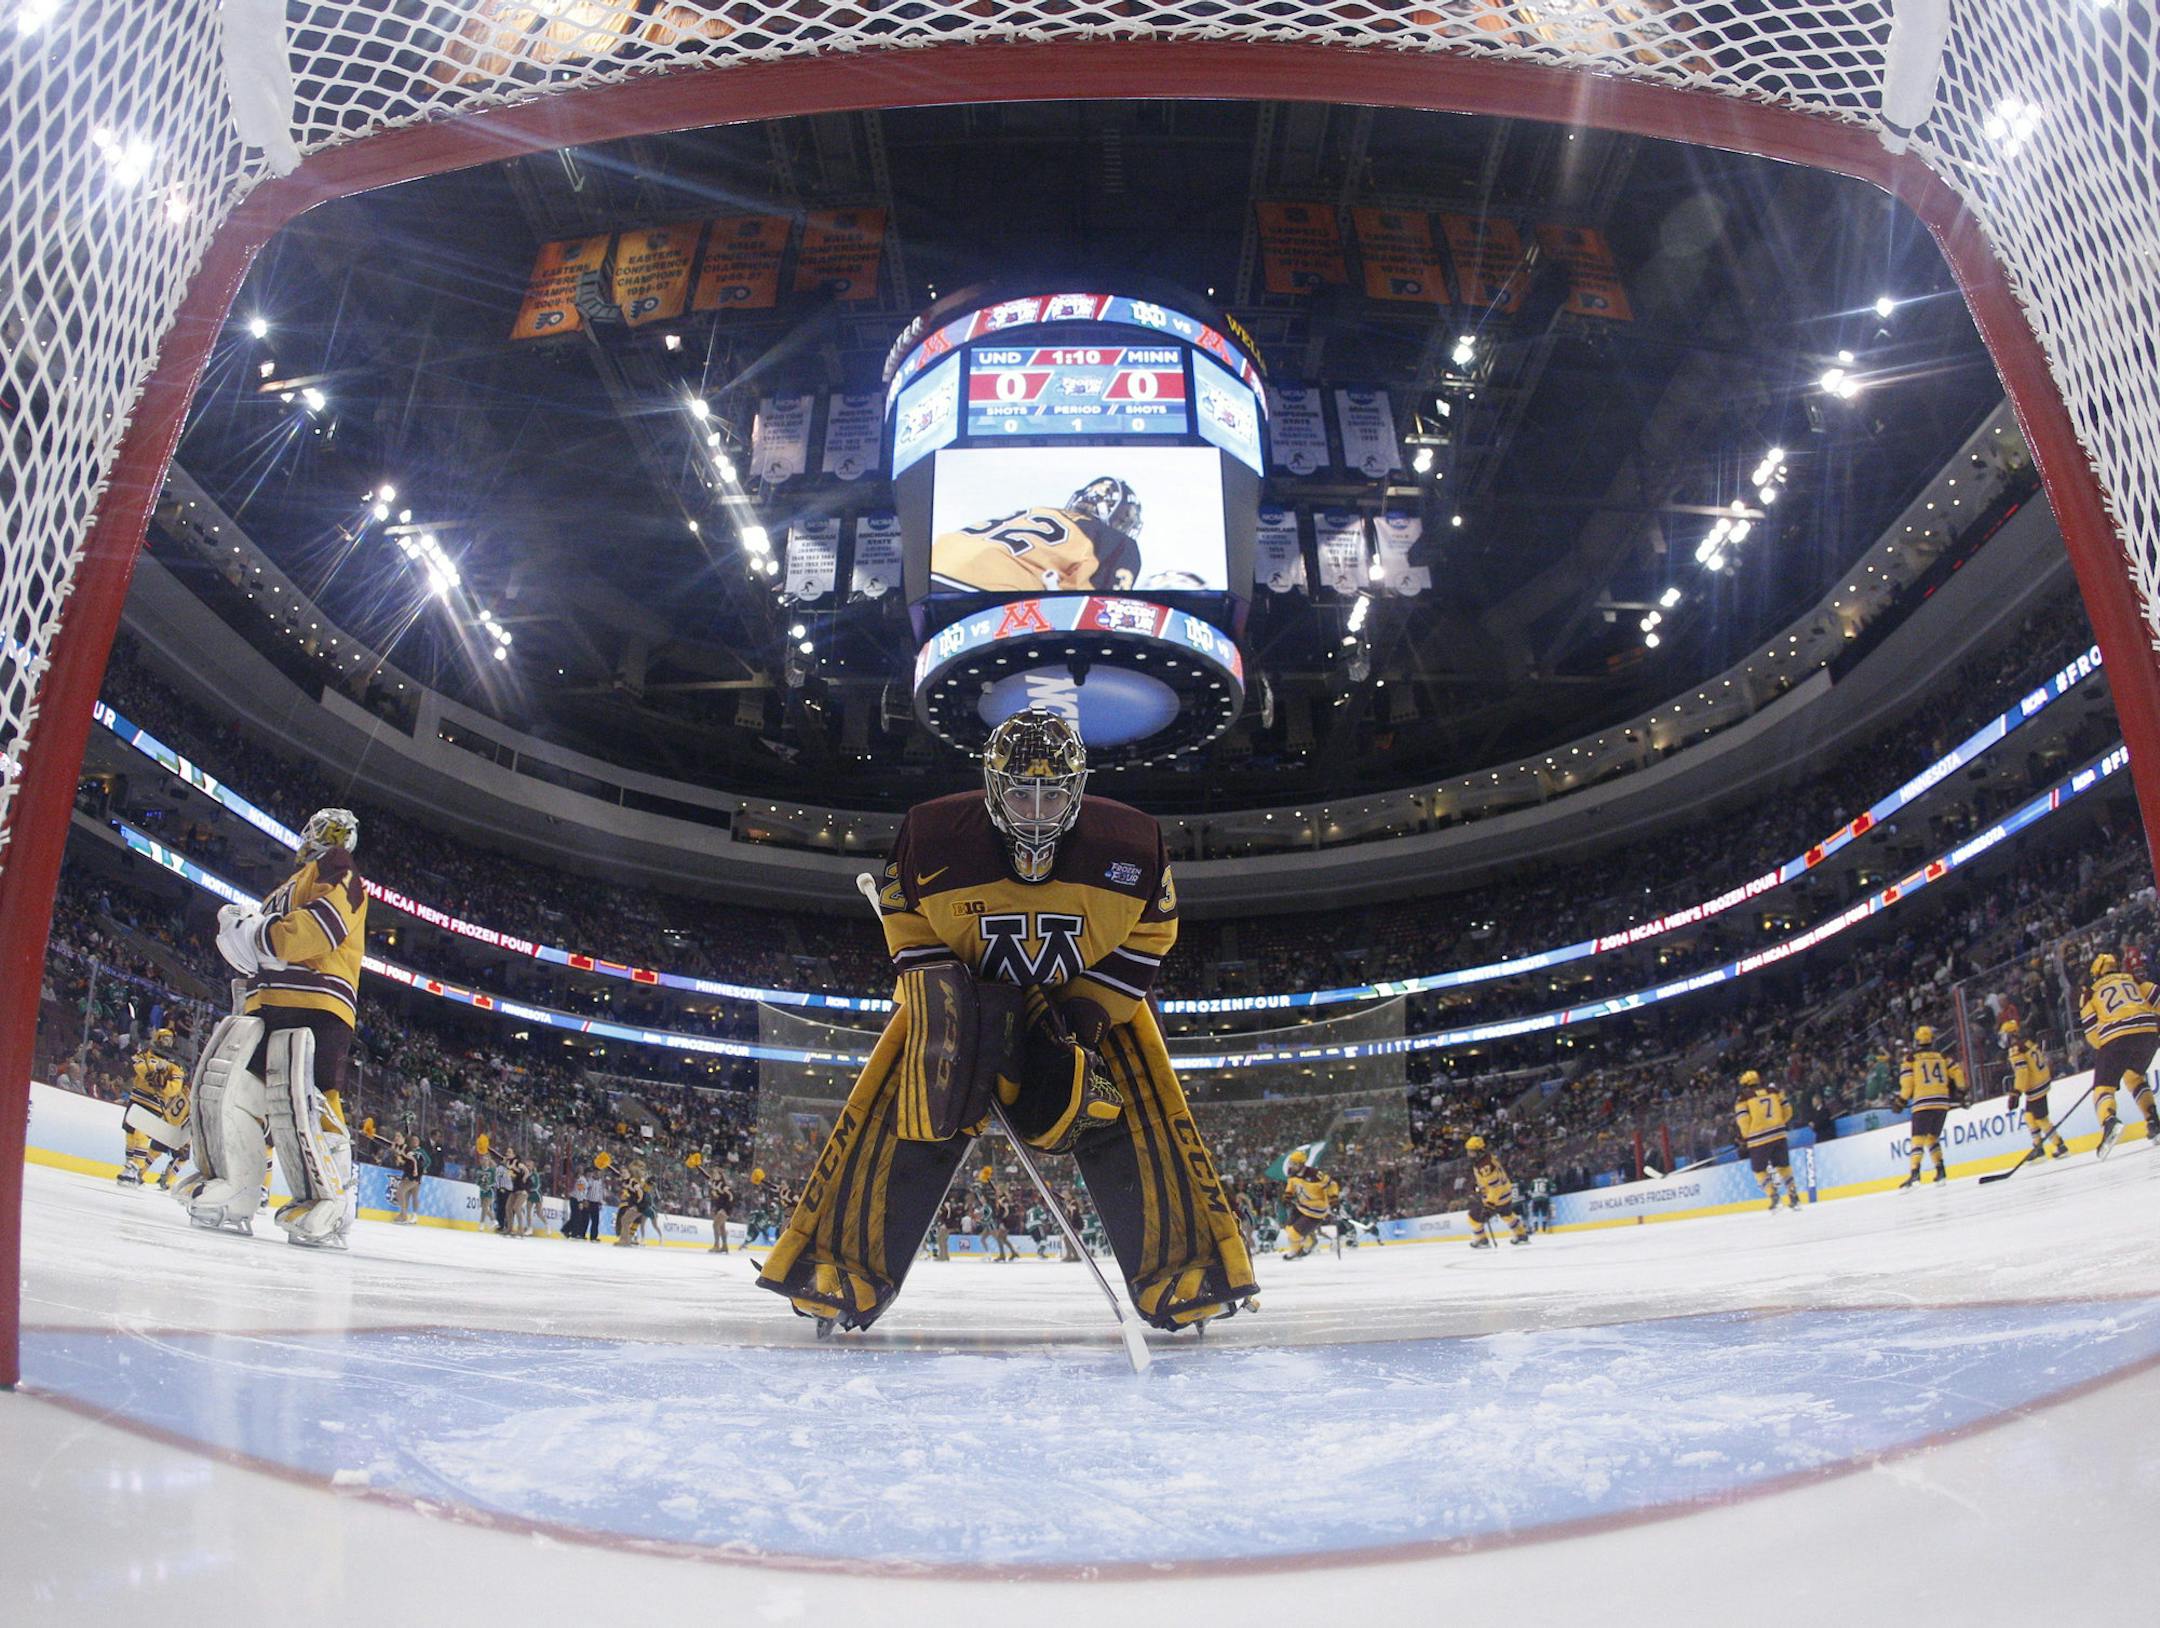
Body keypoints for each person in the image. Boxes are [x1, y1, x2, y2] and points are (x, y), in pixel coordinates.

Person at [758, 708, 1256, 1335]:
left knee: (1140, 1113)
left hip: (1086, 999)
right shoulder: (933, 833)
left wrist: (1088, 1014)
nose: (1038, 809)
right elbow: (902, 912)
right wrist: (944, 999)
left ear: (1079, 787)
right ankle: (834, 1265)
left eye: (1054, 792)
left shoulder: (1132, 844)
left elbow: (1155, 931)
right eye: (1022, 790)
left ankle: (1190, 1270)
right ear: (993, 785)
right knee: (907, 1112)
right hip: (964, 996)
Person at [174, 807, 364, 1246]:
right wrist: (243, 938)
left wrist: (259, 934)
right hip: (267, 1000)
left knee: (305, 1099)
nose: (319, 836)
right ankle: (237, 1185)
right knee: (237, 1090)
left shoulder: (337, 869)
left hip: (317, 1001)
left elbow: (320, 928)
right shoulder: (289, 885)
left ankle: (329, 1202)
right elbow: (265, 947)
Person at [928, 478, 1144, 594]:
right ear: (1112, 513)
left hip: (934, 567)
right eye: (1125, 519)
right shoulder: (1114, 541)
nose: (1124, 526)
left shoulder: (1039, 510)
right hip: (988, 588)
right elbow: (1092, 608)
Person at [2079, 952, 2160, 1158]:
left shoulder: (2090, 992)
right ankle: (2153, 1121)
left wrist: (2107, 1055)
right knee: (2134, 1077)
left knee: (2103, 1088)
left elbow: (2092, 1034)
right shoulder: (2132, 978)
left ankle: (2108, 1122)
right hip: (2148, 1032)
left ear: (2096, 973)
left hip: (2116, 1037)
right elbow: (2156, 996)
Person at [117, 1027, 188, 1189]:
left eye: (170, 1039)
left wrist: (163, 1084)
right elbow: (139, 1066)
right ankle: (129, 1164)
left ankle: (136, 1167)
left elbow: (175, 1088)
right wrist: (153, 1071)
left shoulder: (175, 1064)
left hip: (154, 1104)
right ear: (158, 1039)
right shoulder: (147, 1054)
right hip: (137, 1098)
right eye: (165, 1038)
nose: (168, 1041)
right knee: (129, 1134)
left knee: (141, 1134)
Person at [1898, 1024, 1965, 1188]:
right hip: (1942, 1102)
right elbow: (1957, 1071)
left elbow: (1907, 1085)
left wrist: (1901, 1100)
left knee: (1917, 1139)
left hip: (1923, 1103)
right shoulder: (1942, 1056)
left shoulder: (1910, 1060)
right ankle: (1940, 1170)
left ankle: (1915, 1174)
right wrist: (1961, 1090)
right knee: (1932, 1137)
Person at [2001, 1019, 2069, 1161]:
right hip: (2041, 1082)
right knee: (2029, 1115)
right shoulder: (2027, 1043)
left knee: (2040, 1118)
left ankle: (2060, 1145)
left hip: (2035, 1087)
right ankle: (2038, 1147)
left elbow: (2022, 1072)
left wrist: (2016, 1091)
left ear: (2010, 1035)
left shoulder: (2015, 1049)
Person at [1733, 1070, 1801, 1212]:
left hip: (1758, 1139)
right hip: (1779, 1134)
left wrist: (1746, 1136)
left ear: (1745, 1085)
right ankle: (1794, 1197)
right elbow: (1788, 1110)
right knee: (1784, 1167)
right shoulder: (1774, 1091)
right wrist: (1779, 1123)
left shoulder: (1743, 1099)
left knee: (1759, 1170)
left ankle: (1774, 1198)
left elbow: (1743, 1121)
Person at [1464, 1136, 1530, 1247]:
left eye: (1471, 1151)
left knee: (1473, 1218)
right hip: (1506, 1195)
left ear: (1479, 1151)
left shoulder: (1484, 1165)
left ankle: (1481, 1240)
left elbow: (1495, 1187)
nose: (1469, 1154)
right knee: (1507, 1215)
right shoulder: (1489, 1158)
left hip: (1495, 1199)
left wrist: (1489, 1204)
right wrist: (1479, 1186)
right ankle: (1521, 1235)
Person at [1278, 1149, 1340, 1261]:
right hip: (1301, 1206)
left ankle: (1304, 1247)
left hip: (1316, 1211)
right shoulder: (1292, 1173)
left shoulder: (1315, 1174)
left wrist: (1334, 1200)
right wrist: (1287, 1196)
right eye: (1291, 1163)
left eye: (1294, 1164)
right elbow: (1291, 1186)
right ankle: (1301, 1247)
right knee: (1287, 1228)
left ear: (1302, 1164)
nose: (1292, 1166)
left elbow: (1332, 1184)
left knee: (1294, 1234)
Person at [707, 1170, 735, 1253]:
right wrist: (697, 1166)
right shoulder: (714, 1183)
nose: (714, 1175)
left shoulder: (723, 1185)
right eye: (713, 1173)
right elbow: (705, 1175)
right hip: (720, 1207)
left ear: (720, 1175)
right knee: (721, 1227)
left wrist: (726, 1207)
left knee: (715, 1225)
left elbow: (732, 1196)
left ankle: (716, 1245)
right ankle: (725, 1246)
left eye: (716, 1173)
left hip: (725, 1208)